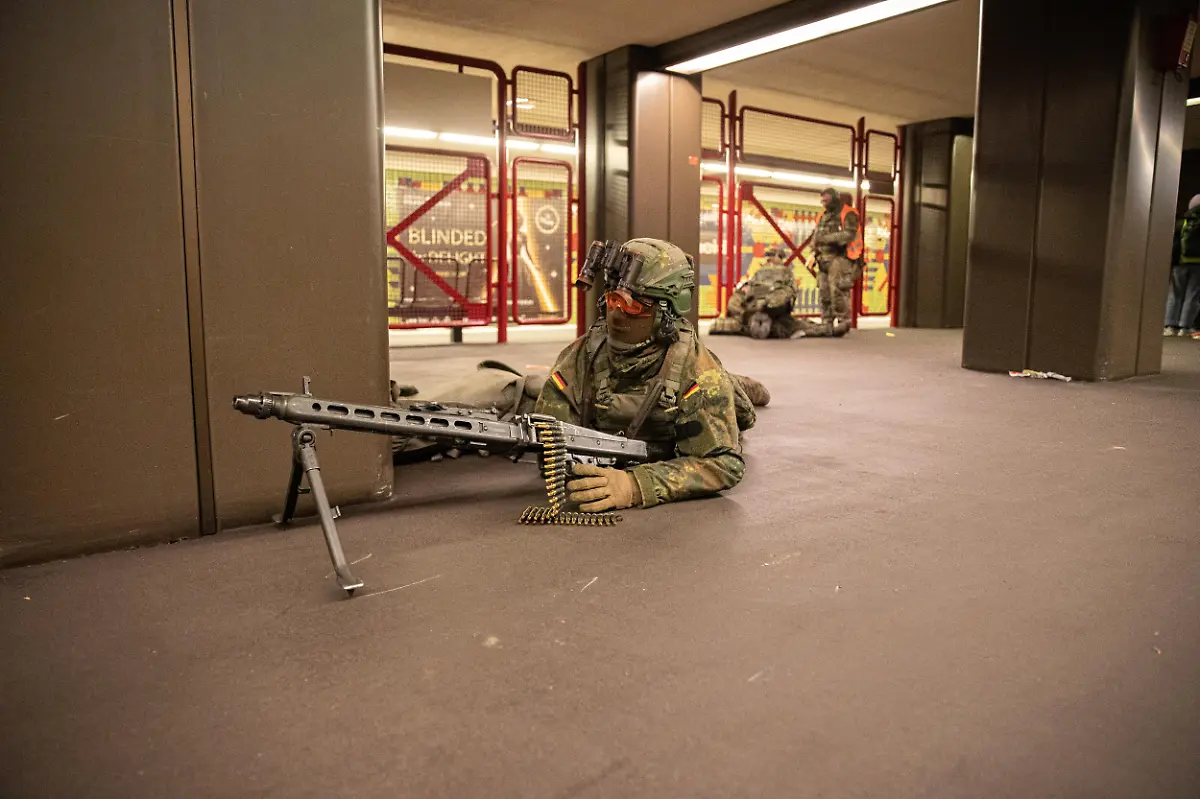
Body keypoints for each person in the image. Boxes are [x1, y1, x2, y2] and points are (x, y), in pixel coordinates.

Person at [534, 237, 756, 512]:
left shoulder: (700, 374)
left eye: (633, 306)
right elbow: (549, 436)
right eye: (613, 299)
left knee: (736, 403)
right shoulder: (581, 356)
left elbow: (724, 464)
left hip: (707, 392)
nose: (616, 315)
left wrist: (636, 485)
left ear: (666, 313)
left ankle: (739, 385)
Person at [709, 245, 801, 338]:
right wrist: (743, 292)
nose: (768, 258)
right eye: (767, 255)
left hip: (772, 302)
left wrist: (776, 298)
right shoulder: (759, 272)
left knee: (782, 317)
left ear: (780, 257)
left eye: (772, 255)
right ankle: (750, 319)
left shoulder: (786, 272)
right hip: (754, 299)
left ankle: (759, 321)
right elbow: (749, 284)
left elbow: (790, 290)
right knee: (736, 299)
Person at [812, 187, 864, 337]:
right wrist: (813, 249)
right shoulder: (822, 215)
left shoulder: (848, 213)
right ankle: (826, 322)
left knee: (838, 290)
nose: (824, 203)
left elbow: (849, 234)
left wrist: (827, 239)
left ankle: (843, 321)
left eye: (826, 200)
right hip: (823, 258)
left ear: (835, 198)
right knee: (823, 291)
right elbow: (816, 234)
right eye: (822, 201)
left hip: (841, 257)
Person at [1165, 194, 1200, 339]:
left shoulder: (1182, 223)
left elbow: (1173, 244)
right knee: (1193, 295)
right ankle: (1184, 327)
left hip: (1180, 263)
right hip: (1198, 264)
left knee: (1175, 294)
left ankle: (1169, 326)